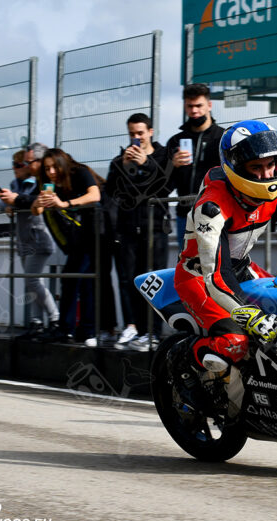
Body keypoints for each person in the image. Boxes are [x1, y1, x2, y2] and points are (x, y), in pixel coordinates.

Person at [175, 120, 277, 377]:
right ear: (236, 167)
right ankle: (185, 358)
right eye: (256, 167)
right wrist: (251, 316)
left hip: (242, 269)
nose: (267, 174)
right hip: (200, 277)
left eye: (271, 165)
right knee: (236, 341)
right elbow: (215, 276)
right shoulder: (212, 207)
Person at [106, 113, 172, 352]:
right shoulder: (120, 160)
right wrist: (124, 167)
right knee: (128, 280)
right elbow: (110, 191)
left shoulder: (164, 155)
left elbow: (166, 184)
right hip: (127, 228)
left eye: (140, 133)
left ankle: (153, 332)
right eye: (132, 133)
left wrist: (146, 162)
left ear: (150, 132)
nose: (136, 138)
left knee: (152, 280)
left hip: (155, 227)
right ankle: (134, 328)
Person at [31, 149, 102, 346]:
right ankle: (81, 330)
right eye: (47, 168)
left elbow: (95, 195)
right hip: (76, 237)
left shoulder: (78, 171)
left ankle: (75, 329)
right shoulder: (49, 183)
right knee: (78, 280)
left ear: (63, 163)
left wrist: (65, 204)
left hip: (96, 229)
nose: (51, 171)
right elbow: (36, 210)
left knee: (79, 279)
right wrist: (40, 201)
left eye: (54, 167)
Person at [0, 147, 60, 340]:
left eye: (21, 164)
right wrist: (9, 203)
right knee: (32, 283)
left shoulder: (44, 182)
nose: (16, 168)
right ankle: (36, 322)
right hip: (24, 239)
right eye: (16, 164)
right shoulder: (17, 184)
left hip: (40, 238)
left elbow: (41, 202)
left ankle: (55, 317)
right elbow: (6, 204)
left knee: (31, 280)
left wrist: (15, 200)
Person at [167, 84, 224, 250]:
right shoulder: (176, 141)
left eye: (199, 106)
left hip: (215, 213)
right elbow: (164, 185)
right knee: (187, 264)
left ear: (209, 105)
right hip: (184, 213)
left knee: (217, 263)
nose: (194, 111)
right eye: (190, 106)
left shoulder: (222, 137)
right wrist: (172, 165)